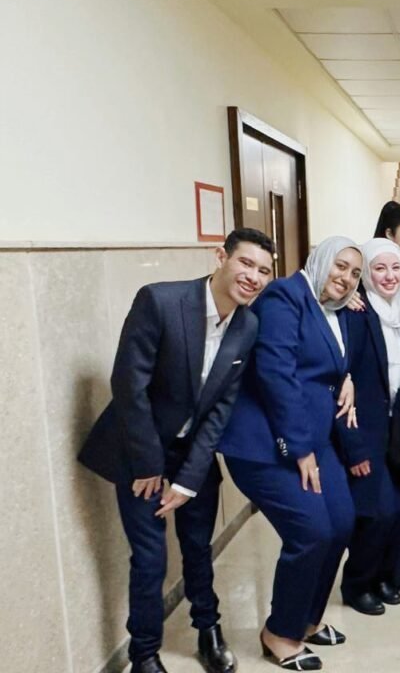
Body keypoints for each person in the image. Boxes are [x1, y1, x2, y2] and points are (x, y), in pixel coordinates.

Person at [78, 228, 275, 673]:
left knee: (198, 546)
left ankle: (209, 630)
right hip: (139, 446)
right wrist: (149, 464)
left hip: (193, 452)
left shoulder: (247, 325)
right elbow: (129, 386)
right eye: (246, 263)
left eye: (264, 271)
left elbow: (220, 408)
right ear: (221, 256)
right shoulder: (161, 301)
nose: (254, 277)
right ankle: (144, 653)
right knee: (150, 557)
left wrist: (188, 478)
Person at [218, 237, 362, 671]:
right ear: (319, 260)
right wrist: (299, 449)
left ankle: (306, 620)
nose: (346, 277)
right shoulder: (285, 296)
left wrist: (347, 378)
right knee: (311, 530)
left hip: (314, 437)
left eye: (355, 273)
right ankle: (280, 632)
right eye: (340, 265)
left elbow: (325, 362)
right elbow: (276, 372)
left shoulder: (331, 308)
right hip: (265, 444)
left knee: (342, 522)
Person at [337, 239, 400, 616]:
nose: (389, 276)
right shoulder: (355, 313)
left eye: (395, 267)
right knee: (376, 512)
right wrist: (353, 447)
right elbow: (340, 383)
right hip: (365, 433)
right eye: (379, 268)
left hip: (397, 433)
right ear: (366, 273)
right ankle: (357, 584)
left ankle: (384, 575)